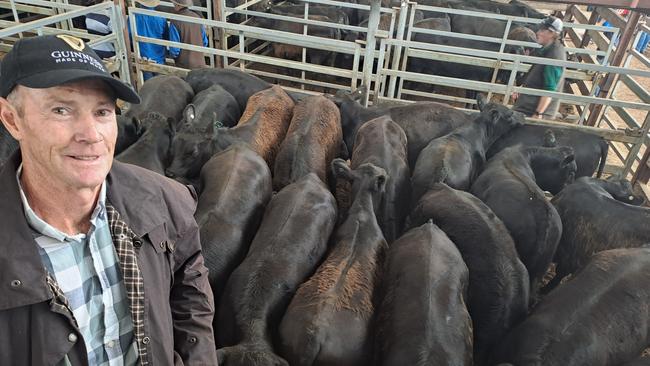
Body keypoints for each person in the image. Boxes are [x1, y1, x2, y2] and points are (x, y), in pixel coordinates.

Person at [0, 35, 218, 365]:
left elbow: (191, 303)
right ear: (12, 119)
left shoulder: (169, 202)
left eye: (102, 111)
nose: (90, 134)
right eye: (61, 110)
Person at [513, 16, 566, 119]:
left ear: (551, 33)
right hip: (527, 106)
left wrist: (538, 114)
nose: (537, 33)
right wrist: (522, 88)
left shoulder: (554, 56)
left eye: (542, 30)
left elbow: (550, 89)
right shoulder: (546, 50)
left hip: (533, 112)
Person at [130, 0, 170, 81]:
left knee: (148, 85)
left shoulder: (134, 16)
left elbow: (130, 36)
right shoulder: (161, 17)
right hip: (159, 57)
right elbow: (166, 37)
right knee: (161, 83)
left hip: (143, 57)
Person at [168, 0, 209, 69]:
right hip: (200, 63)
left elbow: (174, 50)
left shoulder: (175, 21)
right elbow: (205, 42)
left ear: (178, 5)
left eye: (174, 3)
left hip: (184, 64)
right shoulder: (197, 17)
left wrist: (171, 56)